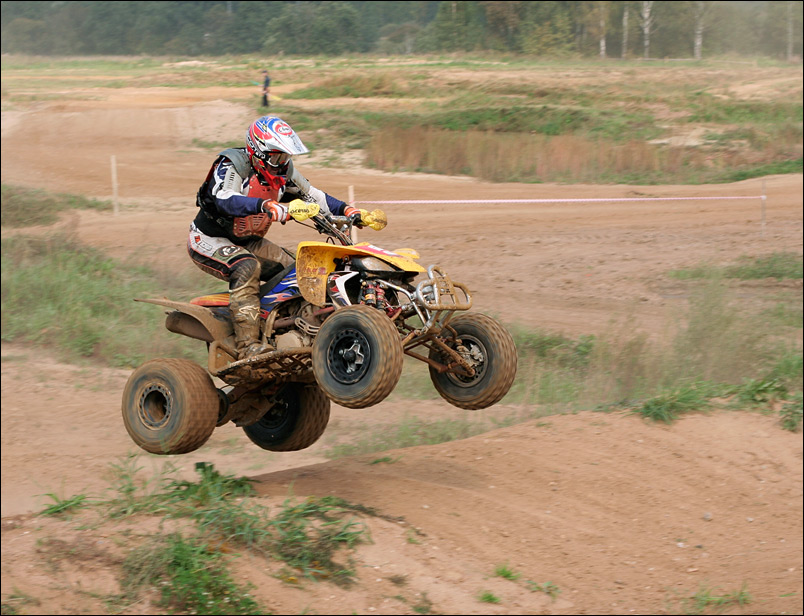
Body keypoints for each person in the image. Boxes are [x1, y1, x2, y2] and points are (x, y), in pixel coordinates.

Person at [189, 116, 362, 360]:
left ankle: (288, 329)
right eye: (277, 156)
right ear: (258, 151)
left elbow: (314, 195)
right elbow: (224, 199)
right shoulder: (232, 164)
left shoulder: (284, 171)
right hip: (209, 238)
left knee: (301, 270)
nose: (282, 163)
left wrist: (348, 211)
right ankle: (248, 345)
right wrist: (267, 205)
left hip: (248, 240)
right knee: (247, 267)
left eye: (285, 156)